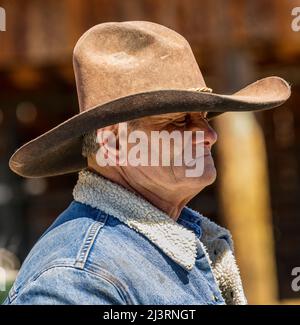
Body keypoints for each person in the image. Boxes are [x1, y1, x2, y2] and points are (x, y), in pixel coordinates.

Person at [4, 21, 290, 305]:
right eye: (179, 121)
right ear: (114, 144)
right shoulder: (75, 279)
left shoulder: (149, 247)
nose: (210, 135)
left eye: (203, 117)